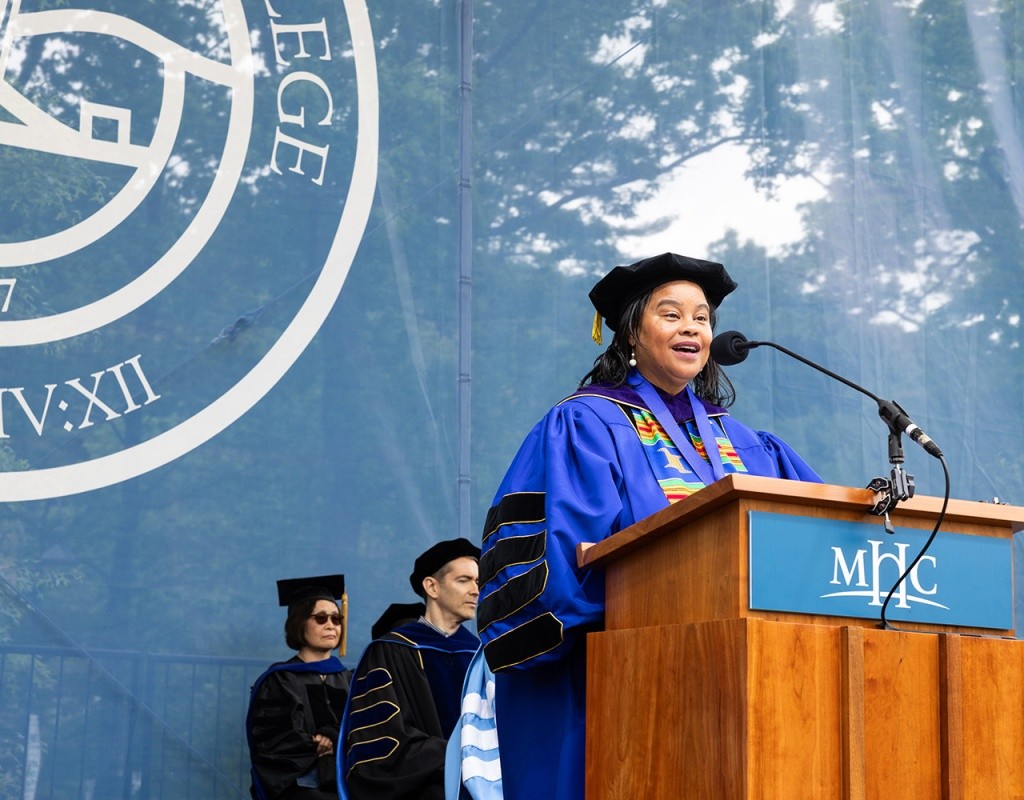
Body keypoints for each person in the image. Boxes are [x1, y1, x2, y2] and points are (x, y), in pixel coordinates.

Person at [476, 252, 822, 800]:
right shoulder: (586, 423)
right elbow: (562, 560)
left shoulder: (747, 443)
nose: (692, 327)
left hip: (735, 680)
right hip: (608, 676)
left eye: (702, 317)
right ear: (631, 332)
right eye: (671, 314)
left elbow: (809, 529)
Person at [339, 538, 481, 800]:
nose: (475, 590)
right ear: (432, 587)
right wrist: (457, 754)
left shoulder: (480, 655)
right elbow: (382, 740)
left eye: (477, 582)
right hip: (419, 791)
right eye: (463, 580)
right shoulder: (390, 651)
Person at [247, 574, 352, 800]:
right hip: (301, 784)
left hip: (347, 777)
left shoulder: (349, 679)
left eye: (336, 619)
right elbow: (275, 741)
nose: (331, 625)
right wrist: (320, 743)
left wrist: (332, 736)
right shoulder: (279, 680)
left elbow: (364, 729)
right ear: (299, 622)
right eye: (321, 618)